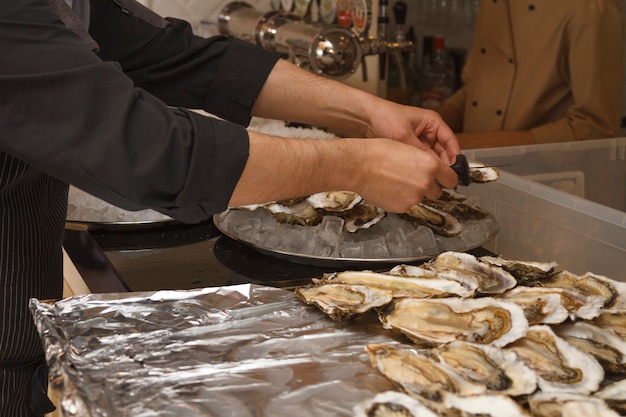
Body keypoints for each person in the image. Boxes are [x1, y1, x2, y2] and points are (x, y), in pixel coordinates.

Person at [0, 0, 461, 415]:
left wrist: (368, 112)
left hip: (22, 338)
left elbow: (180, 57)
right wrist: (354, 165)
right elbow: (149, 152)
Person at [435, 0, 624, 149]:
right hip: (480, 177)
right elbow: (476, 91)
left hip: (551, 185)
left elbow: (595, 129)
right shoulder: (494, 4)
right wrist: (431, 124)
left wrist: (477, 144)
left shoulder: (593, 9)